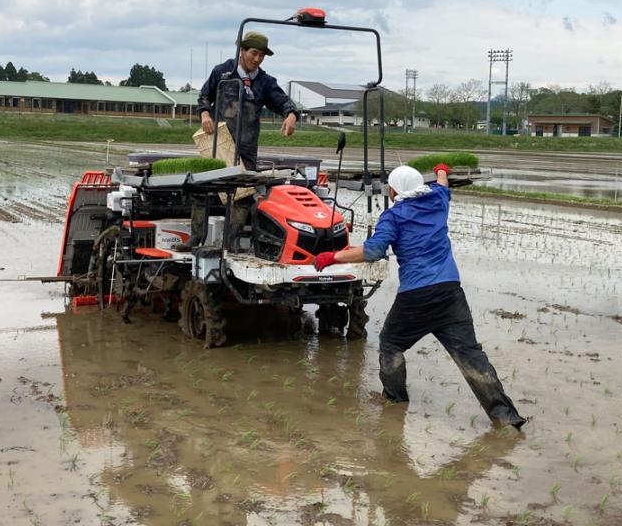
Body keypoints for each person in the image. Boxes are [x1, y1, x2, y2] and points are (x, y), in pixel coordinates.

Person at [314, 164, 526, 429]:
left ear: (394, 190)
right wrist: (441, 170)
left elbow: (373, 251)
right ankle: (506, 417)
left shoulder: (393, 216)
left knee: (391, 343)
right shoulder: (437, 199)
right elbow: (442, 183)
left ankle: (395, 400)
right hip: (450, 292)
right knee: (471, 355)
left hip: (416, 296)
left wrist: (333, 256)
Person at [175, 31, 299, 250]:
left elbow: (284, 102)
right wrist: (205, 115)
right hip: (218, 146)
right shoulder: (222, 73)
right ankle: (196, 238)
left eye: (262, 56)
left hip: (246, 149)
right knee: (202, 189)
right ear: (242, 50)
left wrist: (291, 115)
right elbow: (204, 97)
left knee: (242, 196)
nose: (257, 59)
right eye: (254, 53)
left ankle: (229, 243)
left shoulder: (265, 82)